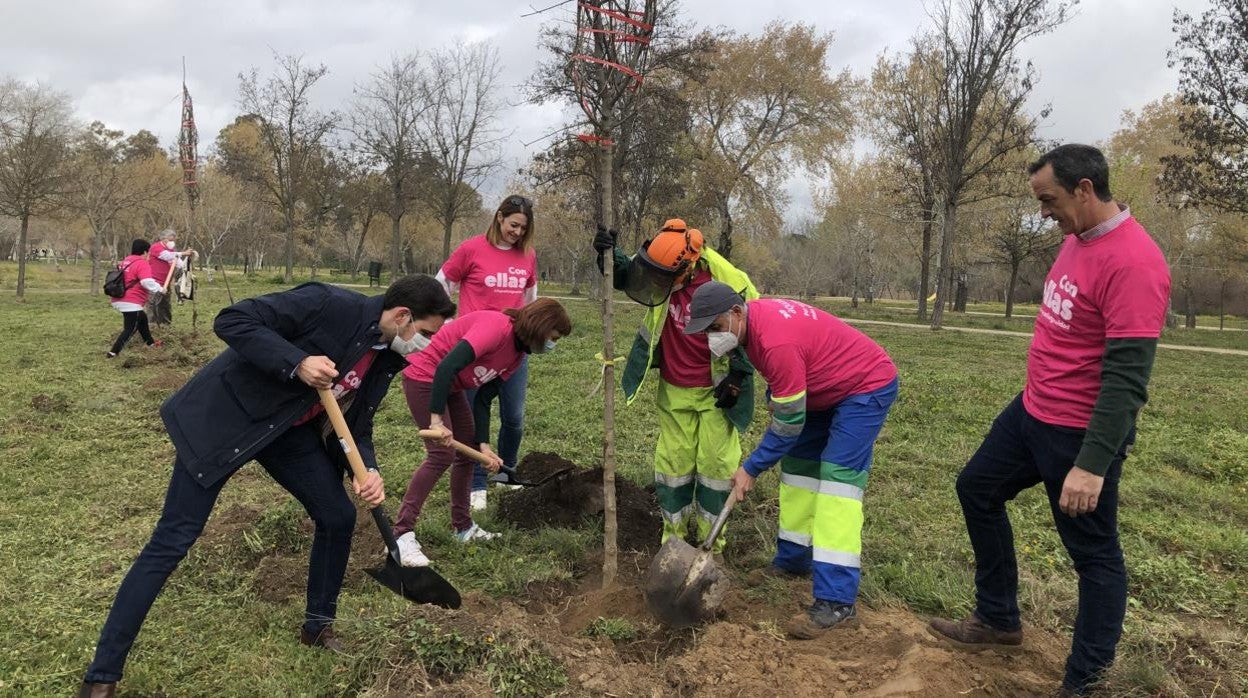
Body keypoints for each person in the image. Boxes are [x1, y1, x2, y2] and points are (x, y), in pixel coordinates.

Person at [77, 276, 456, 698]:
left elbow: (356, 424)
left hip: (285, 430)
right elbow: (233, 320)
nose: (425, 345)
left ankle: (318, 626)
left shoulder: (385, 355)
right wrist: (297, 362)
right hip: (225, 420)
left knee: (337, 515)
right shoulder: (328, 303)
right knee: (173, 538)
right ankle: (102, 675)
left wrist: (366, 470)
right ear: (402, 316)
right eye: (424, 333)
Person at [926, 144, 1171, 696]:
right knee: (977, 488)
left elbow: (1128, 379)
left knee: (1095, 556)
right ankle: (997, 620)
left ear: (1085, 189)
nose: (1043, 212)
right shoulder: (1076, 239)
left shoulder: (1134, 262)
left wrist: (1092, 465)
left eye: (1049, 199)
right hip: (1032, 412)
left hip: (1079, 433)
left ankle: (1083, 683)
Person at [684, 281, 899, 640]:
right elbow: (791, 373)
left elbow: (788, 423)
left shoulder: (774, 340)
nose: (712, 338)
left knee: (836, 486)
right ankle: (793, 560)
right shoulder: (753, 326)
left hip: (865, 386)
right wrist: (777, 393)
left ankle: (836, 601)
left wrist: (751, 467)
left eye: (716, 328)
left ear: (736, 313)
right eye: (706, 332)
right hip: (821, 391)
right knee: (798, 471)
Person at [594, 218, 757, 558]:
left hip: (718, 393)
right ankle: (674, 541)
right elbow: (631, 279)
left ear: (690, 263)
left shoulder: (730, 281)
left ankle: (714, 543)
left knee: (716, 466)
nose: (661, 282)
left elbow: (754, 327)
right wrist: (610, 255)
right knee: (673, 467)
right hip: (674, 388)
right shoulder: (663, 272)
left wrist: (739, 376)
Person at [392, 298, 572, 566]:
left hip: (451, 385)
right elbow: (447, 366)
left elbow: (484, 399)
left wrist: (484, 446)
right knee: (441, 456)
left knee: (469, 455)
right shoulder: (495, 327)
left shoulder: (517, 355)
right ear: (540, 327)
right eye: (553, 337)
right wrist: (436, 420)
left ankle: (462, 527)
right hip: (425, 377)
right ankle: (401, 534)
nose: (552, 344)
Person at [437, 194, 538, 511]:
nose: (517, 232)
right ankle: (475, 483)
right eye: (513, 225)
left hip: (513, 349)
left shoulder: (528, 256)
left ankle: (506, 474)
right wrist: (450, 322)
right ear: (499, 217)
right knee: (470, 419)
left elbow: (531, 297)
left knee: (514, 417)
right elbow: (442, 284)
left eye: (523, 228)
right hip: (476, 348)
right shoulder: (471, 249)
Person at [106, 239, 165, 358]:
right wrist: (160, 288)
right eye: (148, 253)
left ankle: (150, 343)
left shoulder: (126, 260)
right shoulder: (142, 263)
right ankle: (113, 352)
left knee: (142, 318)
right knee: (130, 328)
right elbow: (146, 281)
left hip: (120, 297)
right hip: (131, 301)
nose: (148, 256)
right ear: (144, 252)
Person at [145, 228, 195, 325]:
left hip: (166, 283)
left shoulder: (171, 250)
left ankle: (166, 325)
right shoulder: (156, 247)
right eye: (170, 240)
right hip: (155, 282)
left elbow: (178, 262)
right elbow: (167, 256)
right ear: (163, 239)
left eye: (173, 240)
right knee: (153, 305)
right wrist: (183, 253)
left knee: (165, 305)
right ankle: (151, 326)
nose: (172, 242)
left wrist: (187, 268)